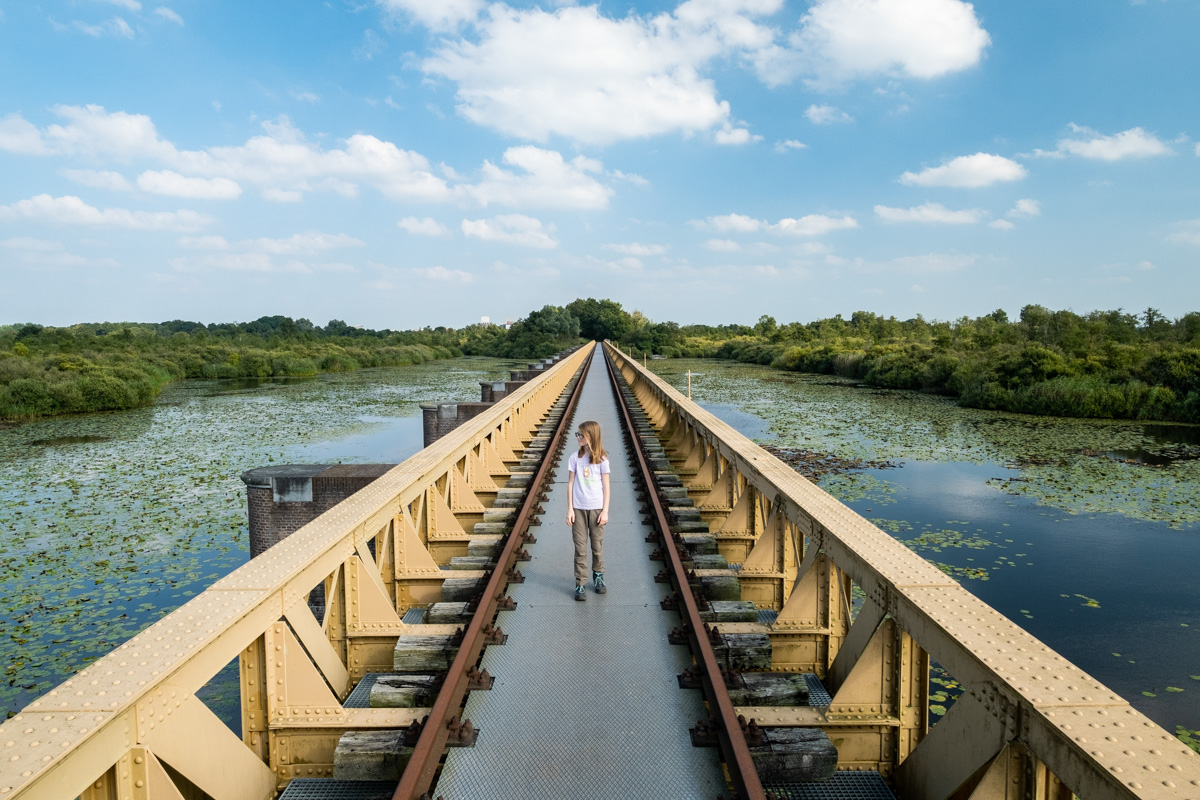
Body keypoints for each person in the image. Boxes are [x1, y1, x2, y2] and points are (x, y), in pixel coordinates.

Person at [566, 419, 611, 601]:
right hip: (578, 509)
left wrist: (605, 511)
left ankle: (598, 576)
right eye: (577, 434)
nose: (577, 437)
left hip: (596, 509)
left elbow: (607, 487)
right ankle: (580, 582)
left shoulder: (602, 459)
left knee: (596, 546)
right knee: (580, 547)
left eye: (581, 435)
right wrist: (569, 509)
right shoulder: (574, 458)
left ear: (591, 436)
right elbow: (570, 484)